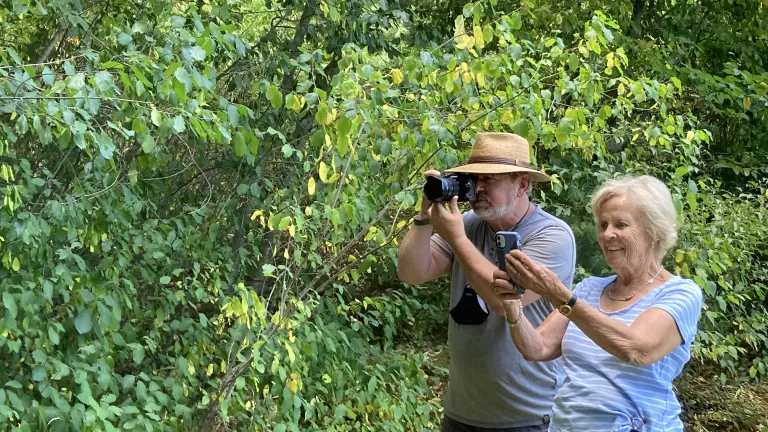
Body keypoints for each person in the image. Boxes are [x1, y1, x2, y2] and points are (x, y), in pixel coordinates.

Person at [494, 175, 704, 432]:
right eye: (603, 224)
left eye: (621, 224)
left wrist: (561, 296)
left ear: (653, 231)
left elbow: (636, 349)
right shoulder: (589, 288)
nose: (607, 234)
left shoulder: (680, 292)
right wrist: (512, 303)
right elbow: (537, 348)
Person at [397, 132, 576, 431]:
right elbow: (412, 273)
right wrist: (424, 214)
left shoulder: (552, 236)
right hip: (462, 412)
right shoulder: (468, 225)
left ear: (522, 184)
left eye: (490, 179)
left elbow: (503, 302)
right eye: (474, 178)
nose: (477, 187)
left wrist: (455, 237)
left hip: (526, 415)